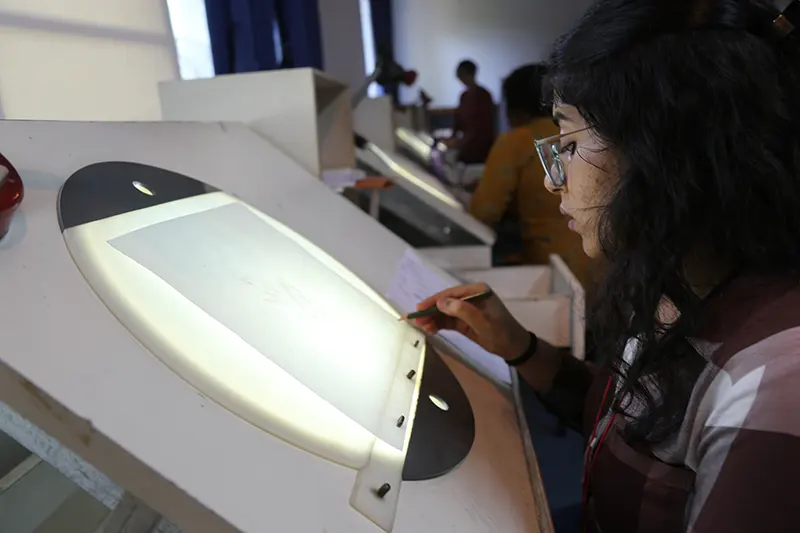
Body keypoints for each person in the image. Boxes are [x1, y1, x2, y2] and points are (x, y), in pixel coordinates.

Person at [414, 0, 800, 531]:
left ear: (665, 152)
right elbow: (630, 421)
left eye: (570, 143)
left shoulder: (774, 382)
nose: (552, 179)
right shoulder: (677, 285)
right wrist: (520, 347)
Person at [469, 64, 590, 285]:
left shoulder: (517, 141)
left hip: (551, 269)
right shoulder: (585, 134)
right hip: (601, 261)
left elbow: (484, 211)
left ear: (515, 107)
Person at [442, 60, 496, 163]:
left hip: (480, 147)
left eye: (461, 74)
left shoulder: (483, 95)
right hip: (466, 145)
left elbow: (482, 125)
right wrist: (452, 138)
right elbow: (458, 120)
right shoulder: (464, 96)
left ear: (470, 74)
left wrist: (461, 142)